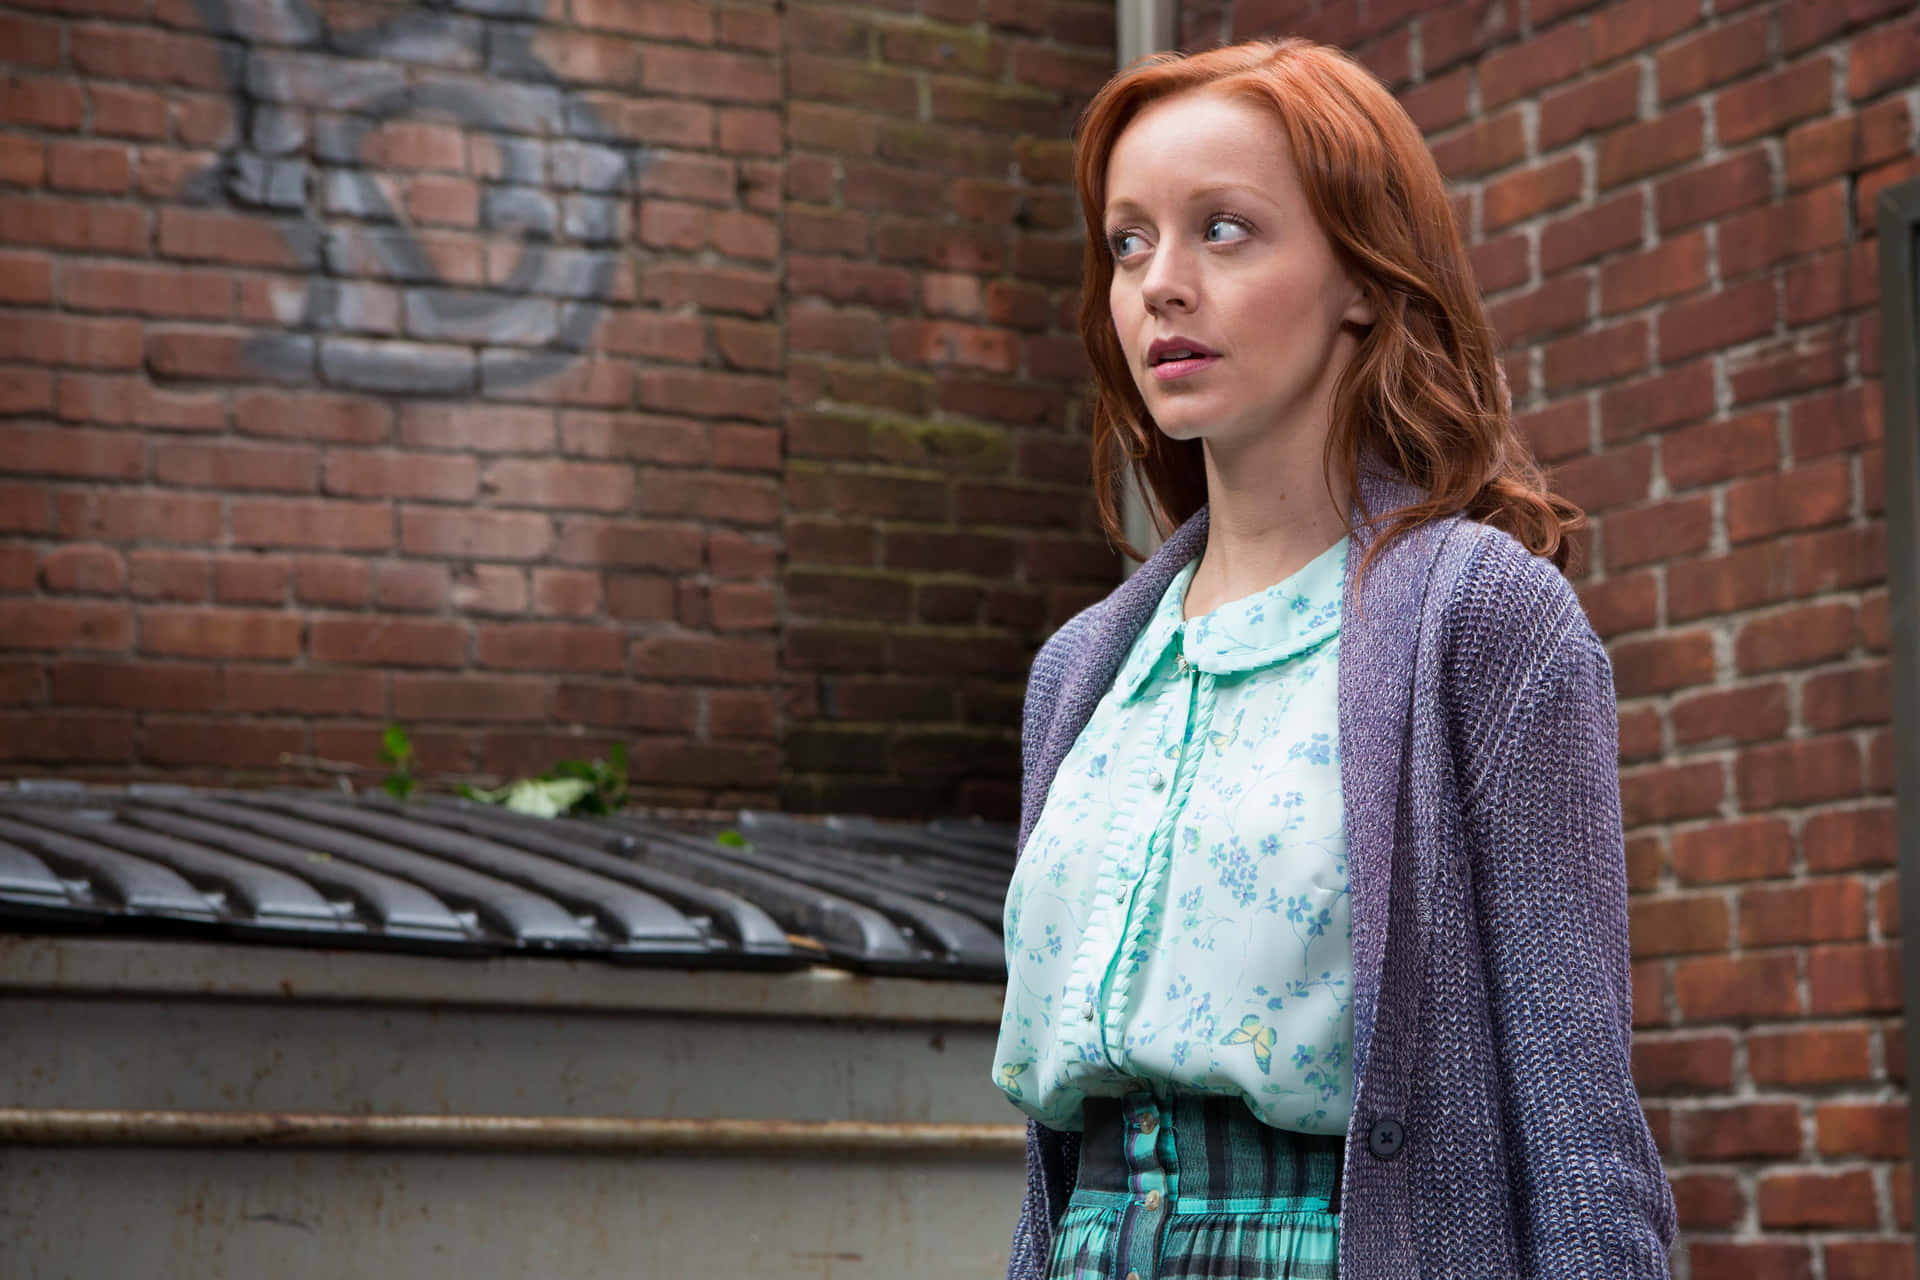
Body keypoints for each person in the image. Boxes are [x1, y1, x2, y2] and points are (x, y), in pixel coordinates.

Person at [992, 37, 1677, 1280]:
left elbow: (1577, 1113)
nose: (1162, 284)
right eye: (1130, 241)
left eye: (1226, 230)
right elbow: (1059, 1141)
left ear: (1362, 276)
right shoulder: (1085, 670)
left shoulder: (1478, 618)